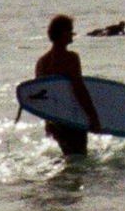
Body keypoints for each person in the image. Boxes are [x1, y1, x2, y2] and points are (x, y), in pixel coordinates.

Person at [36, 13, 102, 156]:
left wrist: (47, 122)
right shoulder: (70, 58)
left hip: (55, 120)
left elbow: (42, 96)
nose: (73, 34)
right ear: (62, 33)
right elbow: (79, 89)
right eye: (70, 31)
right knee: (79, 157)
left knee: (67, 156)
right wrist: (93, 117)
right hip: (72, 117)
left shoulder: (42, 62)